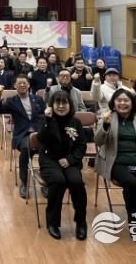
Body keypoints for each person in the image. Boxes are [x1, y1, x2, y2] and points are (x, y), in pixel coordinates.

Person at [94, 89, 136, 242]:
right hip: (116, 162)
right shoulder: (107, 117)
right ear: (113, 103)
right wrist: (105, 125)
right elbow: (98, 141)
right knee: (131, 183)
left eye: (126, 100)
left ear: (132, 103)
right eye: (119, 100)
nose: (122, 103)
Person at [38, 90, 87, 240]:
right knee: (58, 181)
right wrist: (47, 121)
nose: (61, 106)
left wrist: (70, 160)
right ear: (51, 105)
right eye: (57, 103)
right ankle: (52, 223)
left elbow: (81, 146)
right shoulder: (46, 119)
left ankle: (81, 221)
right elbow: (41, 139)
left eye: (64, 103)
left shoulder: (76, 122)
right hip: (50, 160)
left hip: (69, 160)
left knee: (76, 182)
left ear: (70, 104)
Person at [0, 75, 46, 199]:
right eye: (19, 83)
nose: (22, 85)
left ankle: (46, 182)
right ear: (15, 86)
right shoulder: (12, 101)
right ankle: (24, 182)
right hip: (23, 134)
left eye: (24, 83)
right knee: (26, 149)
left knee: (48, 150)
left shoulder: (38, 99)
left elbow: (45, 114)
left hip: (40, 133)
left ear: (29, 85)